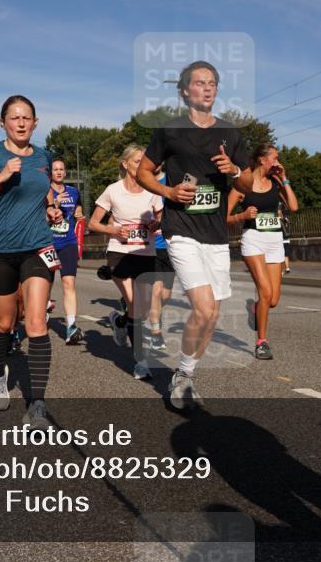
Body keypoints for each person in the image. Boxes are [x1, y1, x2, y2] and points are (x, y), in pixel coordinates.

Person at [137, 61, 252, 409]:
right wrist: (168, 193)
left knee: (212, 315)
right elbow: (143, 172)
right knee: (202, 308)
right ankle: (183, 378)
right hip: (181, 230)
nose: (208, 88)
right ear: (185, 90)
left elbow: (247, 182)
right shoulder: (170, 130)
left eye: (213, 83)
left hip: (215, 234)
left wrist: (233, 170)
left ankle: (184, 373)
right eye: (200, 83)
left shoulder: (231, 133)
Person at [0, 95, 63, 430]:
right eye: (14, 117)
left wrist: (50, 207)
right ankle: (0, 371)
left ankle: (36, 406)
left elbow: (43, 189)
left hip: (37, 246)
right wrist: (0, 176)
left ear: (35, 122)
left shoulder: (44, 156)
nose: (21, 123)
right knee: (4, 323)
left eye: (26, 118)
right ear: (2, 121)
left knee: (35, 324)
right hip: (0, 250)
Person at [89, 145, 163, 379]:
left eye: (144, 162)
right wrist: (113, 230)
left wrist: (155, 225)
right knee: (137, 305)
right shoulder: (113, 190)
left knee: (139, 308)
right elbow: (93, 223)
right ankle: (141, 362)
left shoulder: (152, 190)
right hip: (119, 253)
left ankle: (119, 321)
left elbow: (162, 218)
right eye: (136, 161)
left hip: (146, 253)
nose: (140, 166)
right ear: (125, 164)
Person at [226, 143, 298, 360]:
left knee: (273, 299)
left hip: (275, 240)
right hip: (253, 240)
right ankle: (261, 342)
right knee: (265, 292)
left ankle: (256, 308)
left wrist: (284, 178)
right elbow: (224, 217)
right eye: (274, 158)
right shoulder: (243, 185)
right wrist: (242, 216)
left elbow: (293, 207)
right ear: (262, 160)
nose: (277, 162)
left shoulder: (276, 182)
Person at [49, 158, 85, 345]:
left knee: (69, 283)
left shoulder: (73, 191)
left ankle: (71, 327)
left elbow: (78, 205)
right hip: (48, 243)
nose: (59, 172)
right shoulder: (45, 192)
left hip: (68, 242)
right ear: (50, 172)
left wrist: (78, 212)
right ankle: (44, 307)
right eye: (55, 169)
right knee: (45, 286)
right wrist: (54, 204)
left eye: (62, 169)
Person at [147, 169, 174, 351]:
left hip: (171, 245)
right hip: (151, 245)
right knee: (156, 291)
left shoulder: (171, 180)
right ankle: (156, 333)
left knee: (165, 295)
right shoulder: (143, 182)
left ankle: (154, 312)